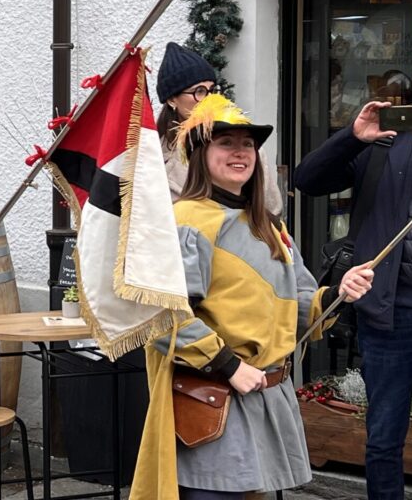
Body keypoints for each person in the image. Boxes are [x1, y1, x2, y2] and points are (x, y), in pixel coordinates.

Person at [133, 93, 374, 500]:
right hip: (215, 400)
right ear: (200, 153)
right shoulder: (187, 221)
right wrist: (227, 366)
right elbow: (161, 313)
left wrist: (336, 294)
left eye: (247, 144)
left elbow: (298, 308)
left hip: (266, 401)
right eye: (225, 143)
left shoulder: (270, 227)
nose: (240, 152)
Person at [294, 47, 412, 500]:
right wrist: (353, 135)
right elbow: (308, 180)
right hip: (389, 312)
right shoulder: (385, 144)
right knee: (384, 437)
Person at [157, 42, 284, 214]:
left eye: (212, 90)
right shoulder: (155, 155)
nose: (208, 99)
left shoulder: (247, 145)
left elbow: (270, 210)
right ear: (172, 100)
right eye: (199, 91)